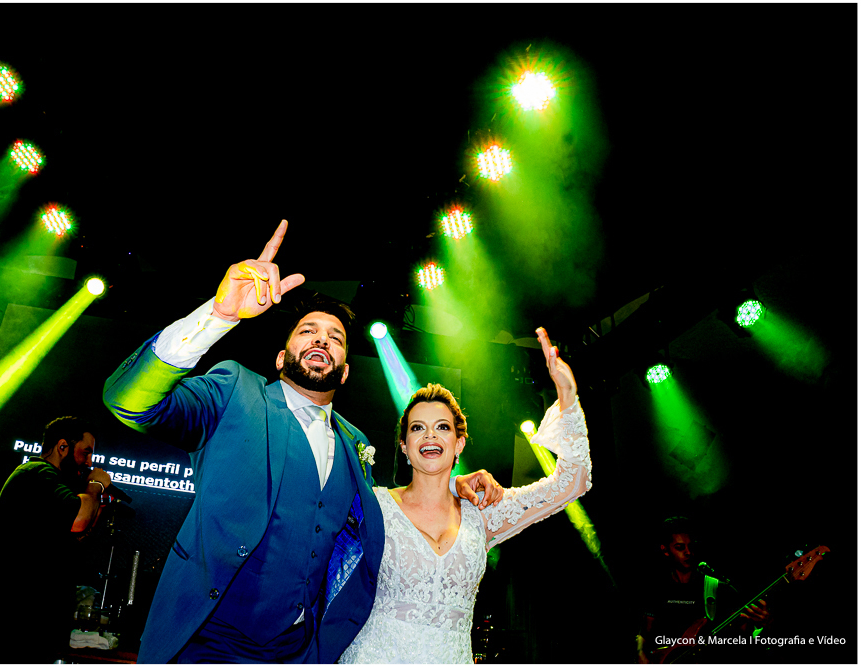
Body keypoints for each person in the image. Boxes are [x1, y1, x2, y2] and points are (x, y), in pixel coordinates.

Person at [102, 220, 504, 664]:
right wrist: (219, 315)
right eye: (308, 331)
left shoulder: (355, 444)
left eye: (336, 338)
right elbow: (130, 402)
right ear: (281, 357)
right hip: (206, 637)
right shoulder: (235, 392)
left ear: (345, 372)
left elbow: (386, 517)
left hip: (297, 651)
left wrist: (449, 487)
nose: (322, 339)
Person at [339, 327, 592, 664]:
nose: (430, 435)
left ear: (458, 444)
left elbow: (573, 482)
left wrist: (567, 393)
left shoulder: (482, 510)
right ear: (404, 446)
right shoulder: (374, 505)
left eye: (442, 427)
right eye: (418, 428)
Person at [0, 416, 111, 664]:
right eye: (85, 452)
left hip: (25, 621)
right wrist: (95, 485)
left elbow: (77, 533)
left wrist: (95, 501)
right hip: (13, 622)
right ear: (62, 446)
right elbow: (78, 519)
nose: (89, 462)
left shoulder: (49, 482)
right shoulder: (39, 474)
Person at [635, 517, 771, 664]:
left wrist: (765, 623)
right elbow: (644, 633)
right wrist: (640, 653)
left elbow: (746, 638)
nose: (688, 552)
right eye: (680, 547)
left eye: (691, 546)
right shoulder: (656, 589)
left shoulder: (719, 589)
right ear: (665, 550)